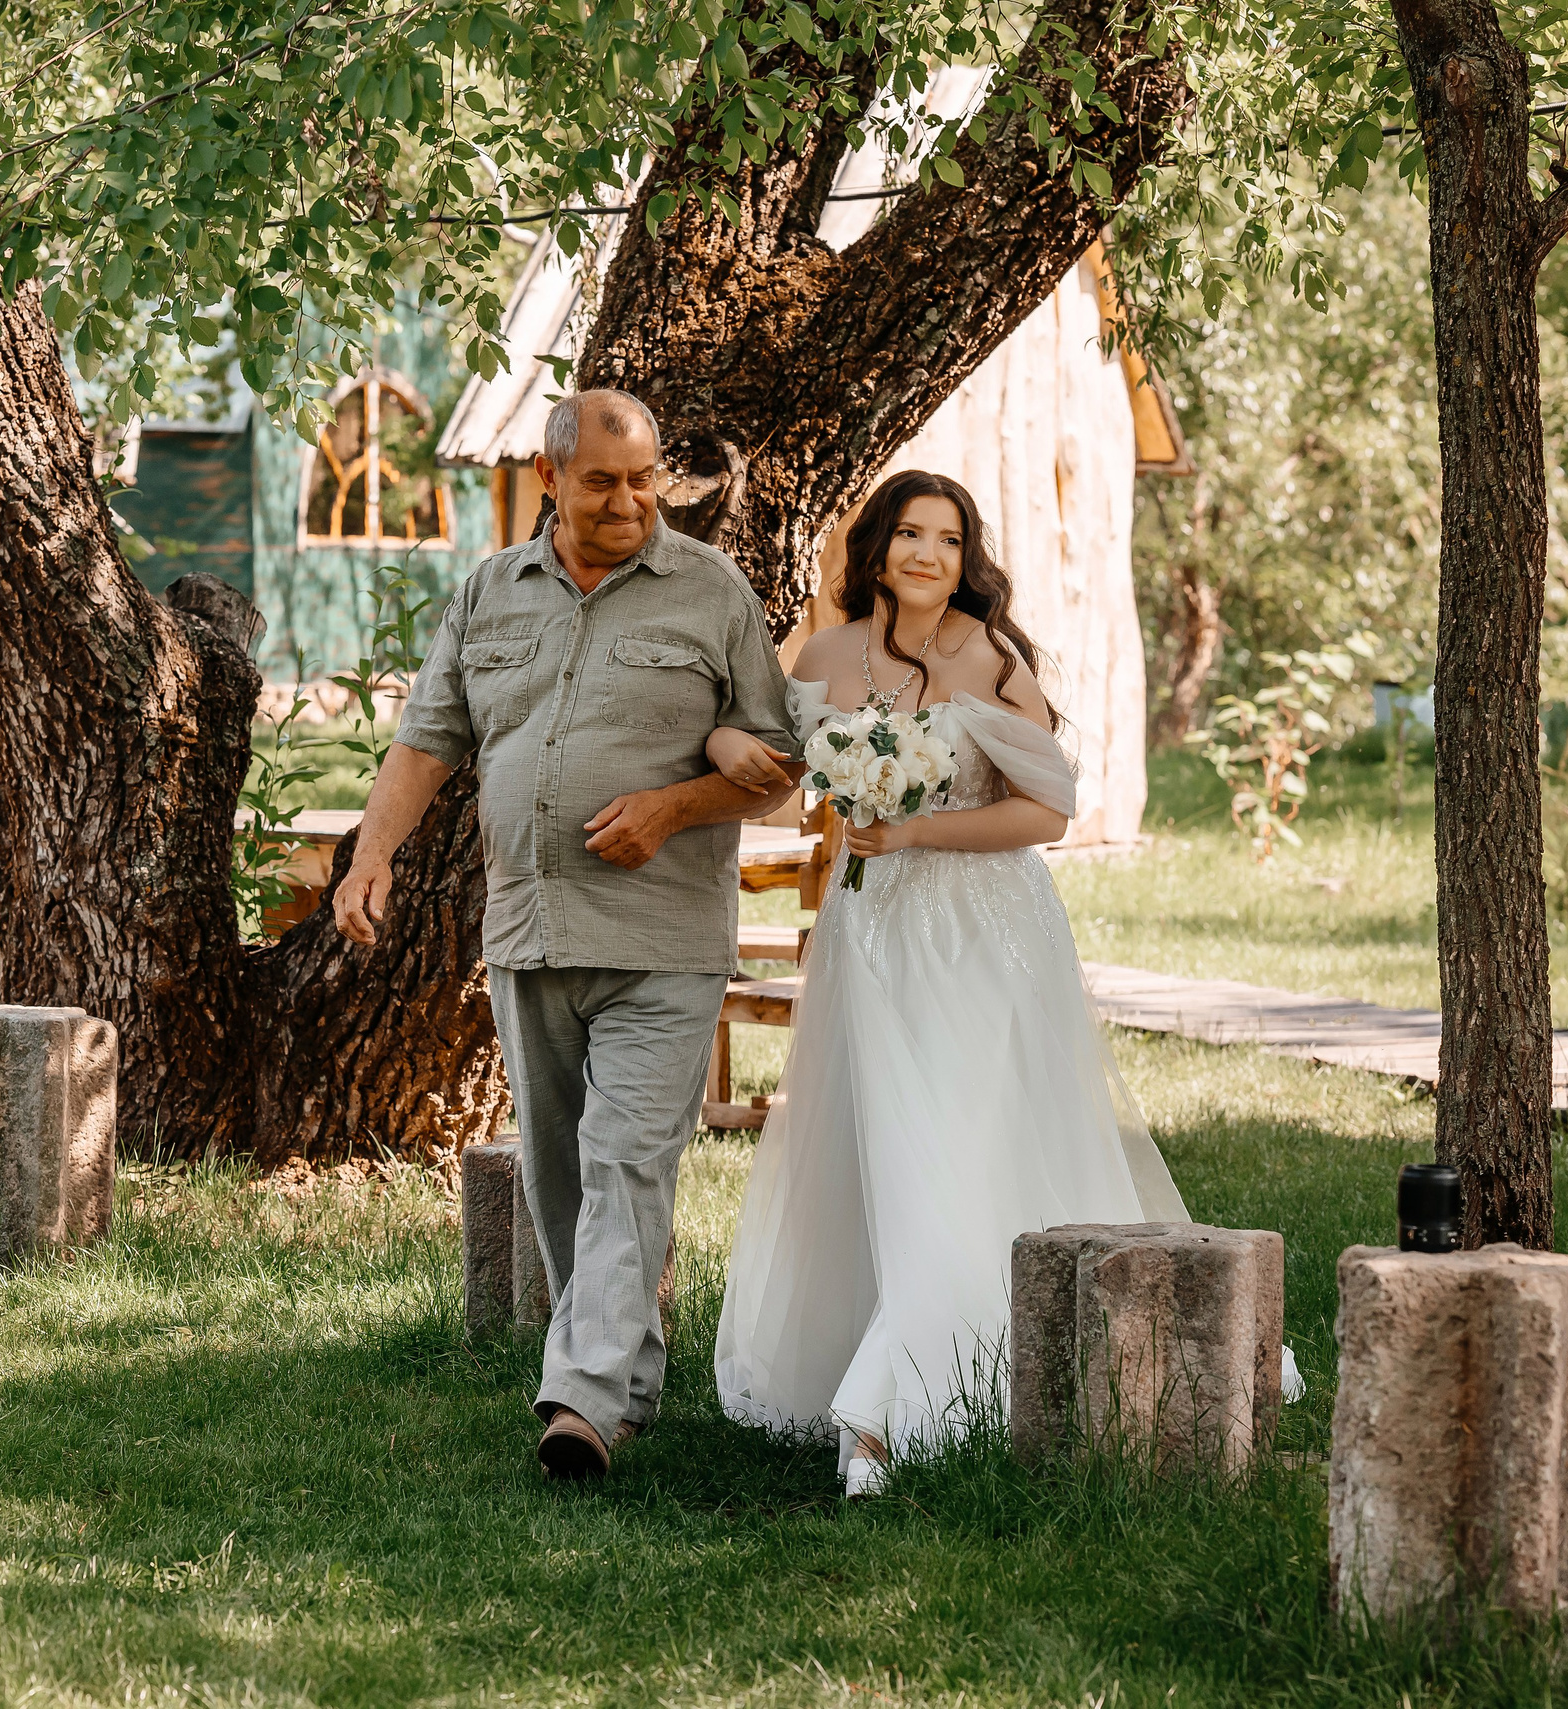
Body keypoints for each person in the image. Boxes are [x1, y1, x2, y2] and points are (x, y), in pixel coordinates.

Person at [333, 389, 797, 1480]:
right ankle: (624, 1383)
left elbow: (775, 762)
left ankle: (580, 1400)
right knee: (559, 1177)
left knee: (625, 1159)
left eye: (643, 480)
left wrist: (672, 807)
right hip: (529, 928)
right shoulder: (490, 591)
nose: (629, 500)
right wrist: (371, 853)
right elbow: (427, 737)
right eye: (602, 482)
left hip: (663, 935)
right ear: (549, 477)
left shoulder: (712, 590)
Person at [703, 469, 1194, 1496]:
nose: (929, 554)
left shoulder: (993, 656)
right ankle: (889, 1362)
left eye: (950, 538)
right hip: (871, 928)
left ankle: (888, 1411)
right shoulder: (826, 652)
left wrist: (918, 830)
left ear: (967, 557)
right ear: (876, 547)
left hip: (985, 929)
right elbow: (778, 766)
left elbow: (1045, 811)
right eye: (910, 533)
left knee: (963, 1140)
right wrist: (726, 740)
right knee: (887, 1144)